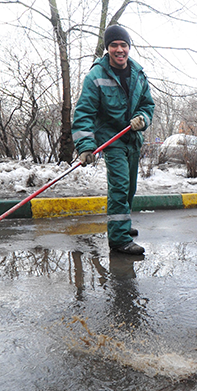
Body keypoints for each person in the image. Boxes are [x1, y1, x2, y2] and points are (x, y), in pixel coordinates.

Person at [72, 25, 155, 255]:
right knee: (119, 186)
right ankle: (119, 239)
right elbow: (84, 113)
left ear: (129, 47)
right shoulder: (96, 76)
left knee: (130, 187)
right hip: (112, 140)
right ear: (107, 48)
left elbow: (148, 105)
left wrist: (143, 119)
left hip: (132, 138)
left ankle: (123, 225)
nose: (119, 50)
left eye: (123, 45)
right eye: (114, 45)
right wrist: (86, 146)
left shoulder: (138, 74)